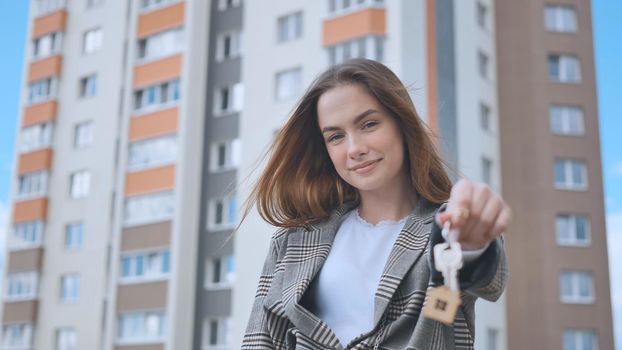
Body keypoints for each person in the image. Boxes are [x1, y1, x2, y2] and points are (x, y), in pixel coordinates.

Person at [241, 58, 510, 350]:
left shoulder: (446, 229)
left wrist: (474, 246)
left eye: (368, 124)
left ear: (401, 124)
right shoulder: (294, 240)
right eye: (336, 137)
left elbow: (484, 280)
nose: (355, 148)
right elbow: (260, 340)